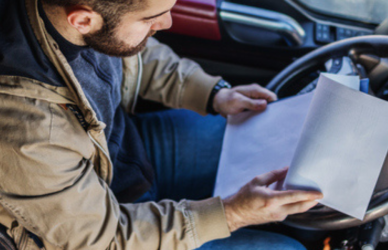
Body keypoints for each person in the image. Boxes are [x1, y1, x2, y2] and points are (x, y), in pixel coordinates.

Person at [0, 0, 323, 249]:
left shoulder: (89, 22)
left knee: (275, 145)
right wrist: (233, 214)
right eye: (150, 18)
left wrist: (211, 93)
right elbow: (103, 238)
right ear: (83, 20)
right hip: (100, 228)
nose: (167, 22)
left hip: (128, 153)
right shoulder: (28, 132)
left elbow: (135, 53)